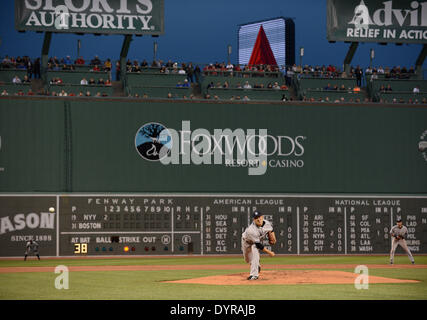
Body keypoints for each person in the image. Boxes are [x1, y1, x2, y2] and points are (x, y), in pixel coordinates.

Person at [241, 211, 276, 280]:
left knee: (255, 254)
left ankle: (254, 275)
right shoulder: (251, 230)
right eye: (256, 218)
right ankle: (257, 265)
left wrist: (274, 239)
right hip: (246, 242)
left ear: (262, 217)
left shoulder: (267, 223)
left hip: (255, 243)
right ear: (253, 220)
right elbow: (259, 245)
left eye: (259, 217)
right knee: (247, 260)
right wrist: (270, 252)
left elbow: (271, 230)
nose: (258, 219)